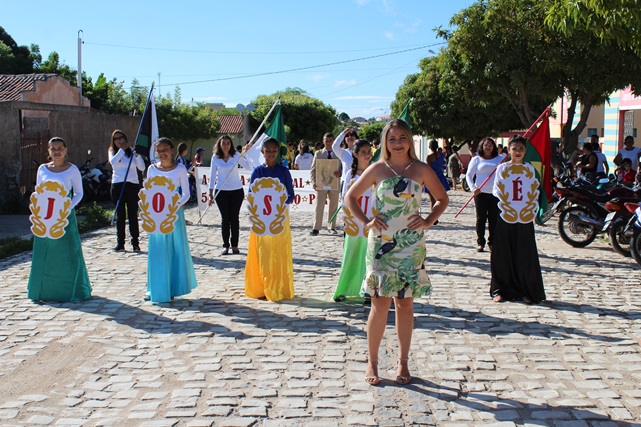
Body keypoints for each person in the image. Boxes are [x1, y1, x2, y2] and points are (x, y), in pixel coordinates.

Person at [344, 119, 448, 386]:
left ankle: (403, 362)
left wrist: (428, 220)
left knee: (405, 303)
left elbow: (441, 199)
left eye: (402, 137)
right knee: (379, 305)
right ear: (385, 142)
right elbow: (350, 197)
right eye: (392, 138)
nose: (397, 142)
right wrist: (366, 222)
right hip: (381, 244)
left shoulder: (421, 169)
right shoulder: (378, 168)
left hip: (411, 245)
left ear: (410, 140)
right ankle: (373, 361)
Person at [27, 137, 92, 302]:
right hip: (45, 218)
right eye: (53, 148)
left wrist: (66, 208)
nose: (57, 151)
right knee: (45, 252)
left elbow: (79, 193)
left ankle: (71, 290)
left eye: (60, 148)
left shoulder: (72, 170)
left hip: (64, 217)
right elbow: (38, 192)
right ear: (48, 151)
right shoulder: (42, 169)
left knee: (67, 252)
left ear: (65, 149)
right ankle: (43, 290)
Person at [490, 135, 545, 304]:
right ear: (509, 150)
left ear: (525, 151)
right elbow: (496, 191)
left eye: (521, 149)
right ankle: (500, 290)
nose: (518, 152)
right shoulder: (502, 169)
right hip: (506, 215)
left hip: (524, 217)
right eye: (514, 149)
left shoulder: (529, 169)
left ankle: (525, 290)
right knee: (502, 254)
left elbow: (535, 190)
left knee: (525, 255)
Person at [145, 137, 197, 303]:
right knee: (158, 249)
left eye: (165, 149)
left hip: (174, 214)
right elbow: (148, 192)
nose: (162, 153)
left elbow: (186, 194)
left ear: (172, 150)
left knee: (174, 249)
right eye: (159, 150)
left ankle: (174, 286)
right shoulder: (151, 169)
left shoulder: (180, 168)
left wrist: (174, 206)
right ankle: (156, 287)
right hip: (156, 216)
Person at [244, 137, 296, 301]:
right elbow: (252, 195)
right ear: (262, 152)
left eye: (274, 150)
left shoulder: (283, 171)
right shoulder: (257, 172)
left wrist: (278, 205)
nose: (271, 153)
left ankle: (277, 287)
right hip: (261, 219)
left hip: (278, 219)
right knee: (263, 252)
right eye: (268, 151)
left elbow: (291, 195)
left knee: (278, 253)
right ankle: (262, 287)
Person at [333, 139, 372, 302]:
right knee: (351, 255)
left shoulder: (373, 173)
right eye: (363, 152)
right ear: (355, 154)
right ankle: (345, 288)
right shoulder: (350, 174)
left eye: (369, 152)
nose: (367, 155)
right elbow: (345, 198)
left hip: (370, 220)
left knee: (369, 257)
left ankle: (368, 291)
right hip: (353, 223)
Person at [208, 135, 251, 255]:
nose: (226, 145)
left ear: (231, 145)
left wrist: (245, 154)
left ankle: (235, 245)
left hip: (236, 191)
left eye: (228, 143)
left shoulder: (236, 155)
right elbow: (212, 176)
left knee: (234, 219)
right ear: (219, 145)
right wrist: (210, 193)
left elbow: (248, 167)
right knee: (225, 219)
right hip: (221, 192)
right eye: (223, 143)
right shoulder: (215, 158)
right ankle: (225, 245)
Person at [465, 137, 506, 252]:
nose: (488, 147)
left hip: (495, 193)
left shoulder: (500, 158)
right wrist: (473, 188)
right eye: (486, 145)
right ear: (482, 146)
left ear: (494, 147)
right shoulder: (476, 159)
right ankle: (480, 242)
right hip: (480, 193)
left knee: (494, 219)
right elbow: (469, 175)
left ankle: (492, 242)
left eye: (490, 145)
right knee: (481, 218)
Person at [108, 130, 145, 252]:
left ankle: (135, 242)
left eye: (121, 138)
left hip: (132, 185)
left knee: (132, 215)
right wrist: (121, 151)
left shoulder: (132, 152)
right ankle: (120, 242)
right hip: (118, 185)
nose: (119, 140)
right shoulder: (112, 152)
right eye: (116, 139)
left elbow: (141, 167)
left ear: (125, 138)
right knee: (121, 215)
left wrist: (137, 155)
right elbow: (113, 163)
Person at [310, 133, 341, 235]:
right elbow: (313, 170)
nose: (328, 143)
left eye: (330, 140)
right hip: (321, 184)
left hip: (334, 183)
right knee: (319, 206)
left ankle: (332, 227)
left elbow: (344, 168)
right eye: (326, 141)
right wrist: (314, 182)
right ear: (323, 141)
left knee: (333, 206)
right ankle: (316, 227)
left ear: (333, 141)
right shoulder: (318, 154)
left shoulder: (338, 153)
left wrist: (340, 173)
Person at [332, 129, 359, 195]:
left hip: (359, 180)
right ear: (345, 139)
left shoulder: (361, 152)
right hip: (345, 182)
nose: (349, 137)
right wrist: (343, 133)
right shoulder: (343, 152)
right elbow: (334, 146)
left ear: (356, 138)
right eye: (347, 136)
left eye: (352, 135)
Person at [426, 140, 450, 210]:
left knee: (432, 200)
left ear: (429, 147)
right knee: (440, 200)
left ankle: (433, 218)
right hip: (440, 177)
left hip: (431, 179)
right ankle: (436, 215)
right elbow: (444, 166)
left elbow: (428, 169)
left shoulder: (429, 157)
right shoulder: (442, 155)